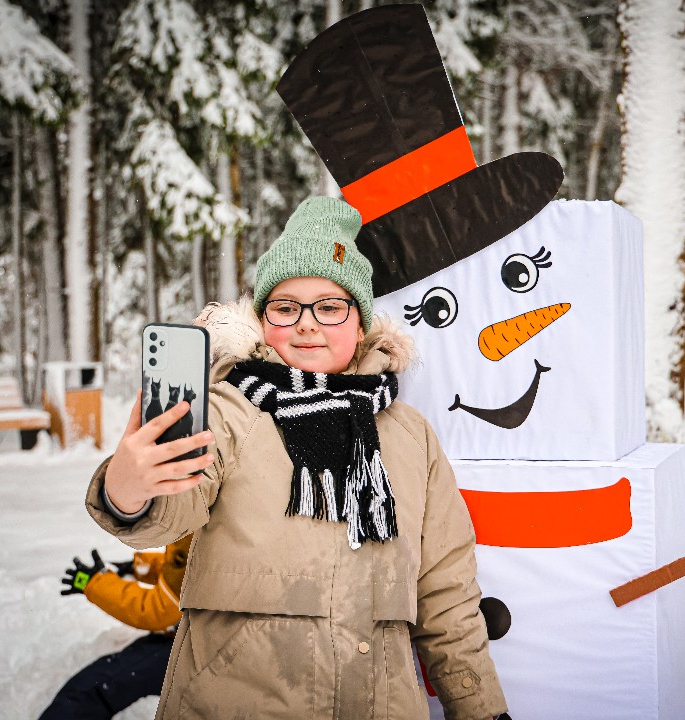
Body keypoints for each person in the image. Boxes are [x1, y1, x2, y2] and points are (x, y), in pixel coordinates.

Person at [85, 196, 506, 720]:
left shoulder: (410, 435)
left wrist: (480, 708)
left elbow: (446, 593)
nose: (307, 324)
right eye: (286, 307)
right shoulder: (226, 409)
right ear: (263, 319)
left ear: (361, 321)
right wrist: (128, 489)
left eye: (330, 306)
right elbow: (172, 510)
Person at [39, 537, 192, 720]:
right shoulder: (218, 520)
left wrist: (94, 583)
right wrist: (139, 567)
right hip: (214, 639)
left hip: (196, 649)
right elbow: (191, 570)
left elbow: (157, 610)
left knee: (89, 691)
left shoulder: (199, 520)